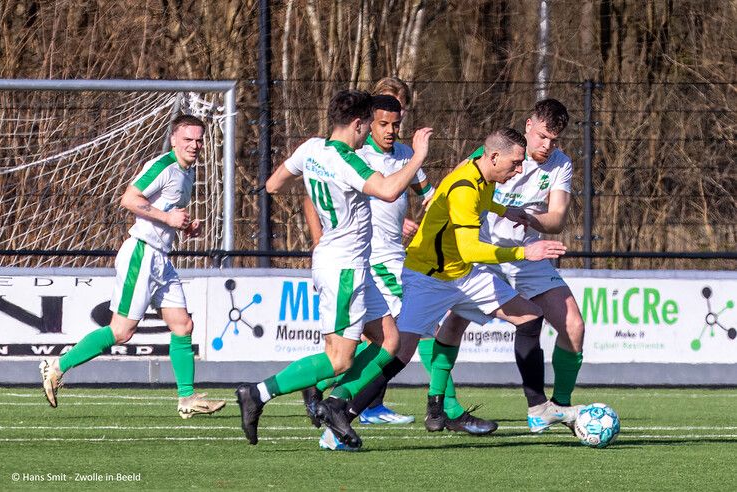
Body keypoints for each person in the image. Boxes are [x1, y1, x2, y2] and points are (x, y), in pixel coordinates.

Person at [321, 128, 568, 450]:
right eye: (515, 163)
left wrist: (502, 209)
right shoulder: (465, 186)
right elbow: (469, 248)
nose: (520, 169)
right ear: (493, 157)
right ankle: (340, 415)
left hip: (462, 275)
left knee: (530, 317)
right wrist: (525, 252)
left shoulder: (481, 175)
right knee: (399, 352)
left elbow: (480, 200)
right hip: (430, 279)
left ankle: (537, 409)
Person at [235, 90, 433, 449]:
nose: (368, 134)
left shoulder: (312, 148)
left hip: (349, 263)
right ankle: (257, 393)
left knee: (390, 341)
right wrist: (418, 156)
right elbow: (388, 191)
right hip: (345, 268)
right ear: (359, 125)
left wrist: (316, 180)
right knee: (339, 358)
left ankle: (337, 403)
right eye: (368, 127)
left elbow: (273, 185)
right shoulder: (348, 161)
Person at [39, 114, 226, 419]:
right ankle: (57, 366)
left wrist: (185, 226)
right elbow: (128, 198)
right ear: (174, 139)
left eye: (199, 139)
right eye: (188, 139)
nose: (194, 145)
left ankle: (187, 398)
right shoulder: (163, 166)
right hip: (142, 254)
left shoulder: (187, 172)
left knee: (183, 325)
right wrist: (168, 219)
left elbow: (166, 211)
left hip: (161, 259)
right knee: (121, 332)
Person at [441, 98, 585, 433]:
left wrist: (530, 218)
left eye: (554, 140)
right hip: (486, 254)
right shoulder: (497, 151)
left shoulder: (560, 164)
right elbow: (456, 184)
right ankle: (444, 405)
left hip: (528, 256)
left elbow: (558, 218)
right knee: (453, 325)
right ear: (529, 124)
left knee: (573, 326)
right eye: (543, 137)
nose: (547, 146)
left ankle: (557, 408)